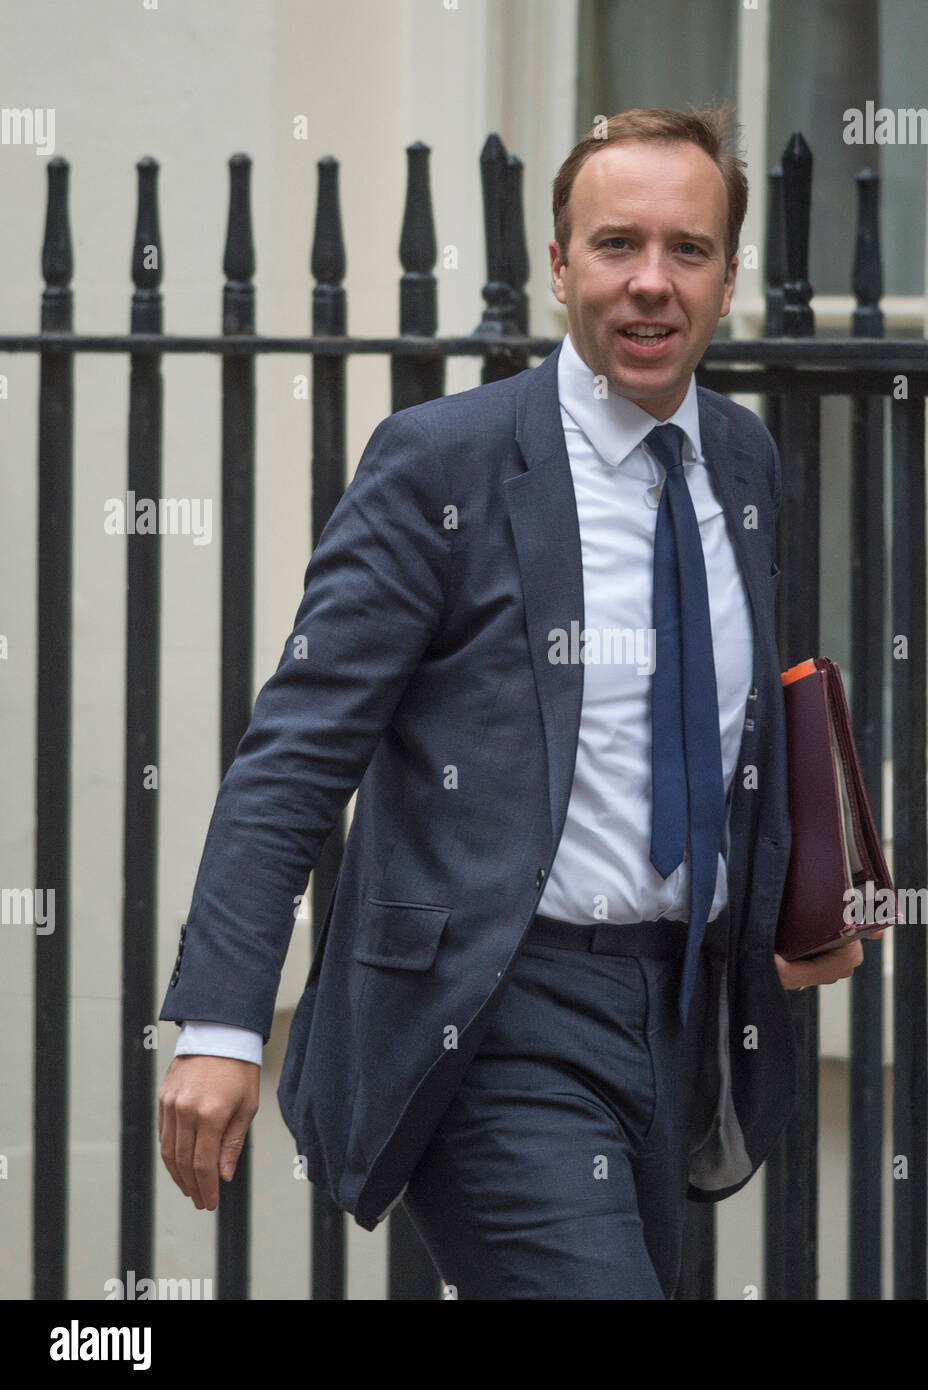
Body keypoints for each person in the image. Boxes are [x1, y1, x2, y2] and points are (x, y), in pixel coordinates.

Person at [157, 103, 871, 1300]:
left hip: (678, 1015)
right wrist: (222, 1021)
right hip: (490, 1015)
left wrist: (783, 896)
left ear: (729, 274)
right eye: (615, 246)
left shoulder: (741, 460)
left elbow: (707, 713)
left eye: (686, 250)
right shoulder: (443, 462)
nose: (651, 283)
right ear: (556, 265)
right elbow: (294, 753)